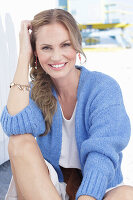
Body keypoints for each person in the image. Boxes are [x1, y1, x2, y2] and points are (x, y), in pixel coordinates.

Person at [1, 8, 133, 200]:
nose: (56, 56)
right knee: (18, 141)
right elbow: (14, 125)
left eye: (65, 45)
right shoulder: (37, 90)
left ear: (77, 46)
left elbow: (102, 154)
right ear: (35, 52)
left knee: (127, 194)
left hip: (96, 188)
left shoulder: (103, 88)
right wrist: (23, 58)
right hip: (50, 189)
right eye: (46, 48)